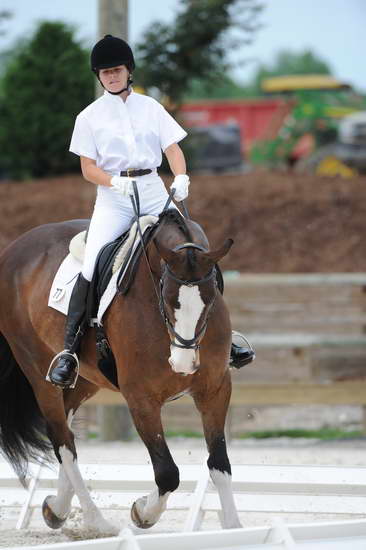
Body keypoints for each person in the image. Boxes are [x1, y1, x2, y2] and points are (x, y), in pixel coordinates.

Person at [48, 34, 254, 388]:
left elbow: (171, 148)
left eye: (116, 70)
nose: (111, 76)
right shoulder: (89, 117)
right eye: (105, 72)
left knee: (195, 251)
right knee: (94, 259)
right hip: (114, 198)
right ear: (99, 76)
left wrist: (182, 175)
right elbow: (87, 168)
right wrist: (113, 182)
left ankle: (225, 335)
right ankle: (69, 350)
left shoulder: (151, 107)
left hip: (154, 191)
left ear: (129, 70)